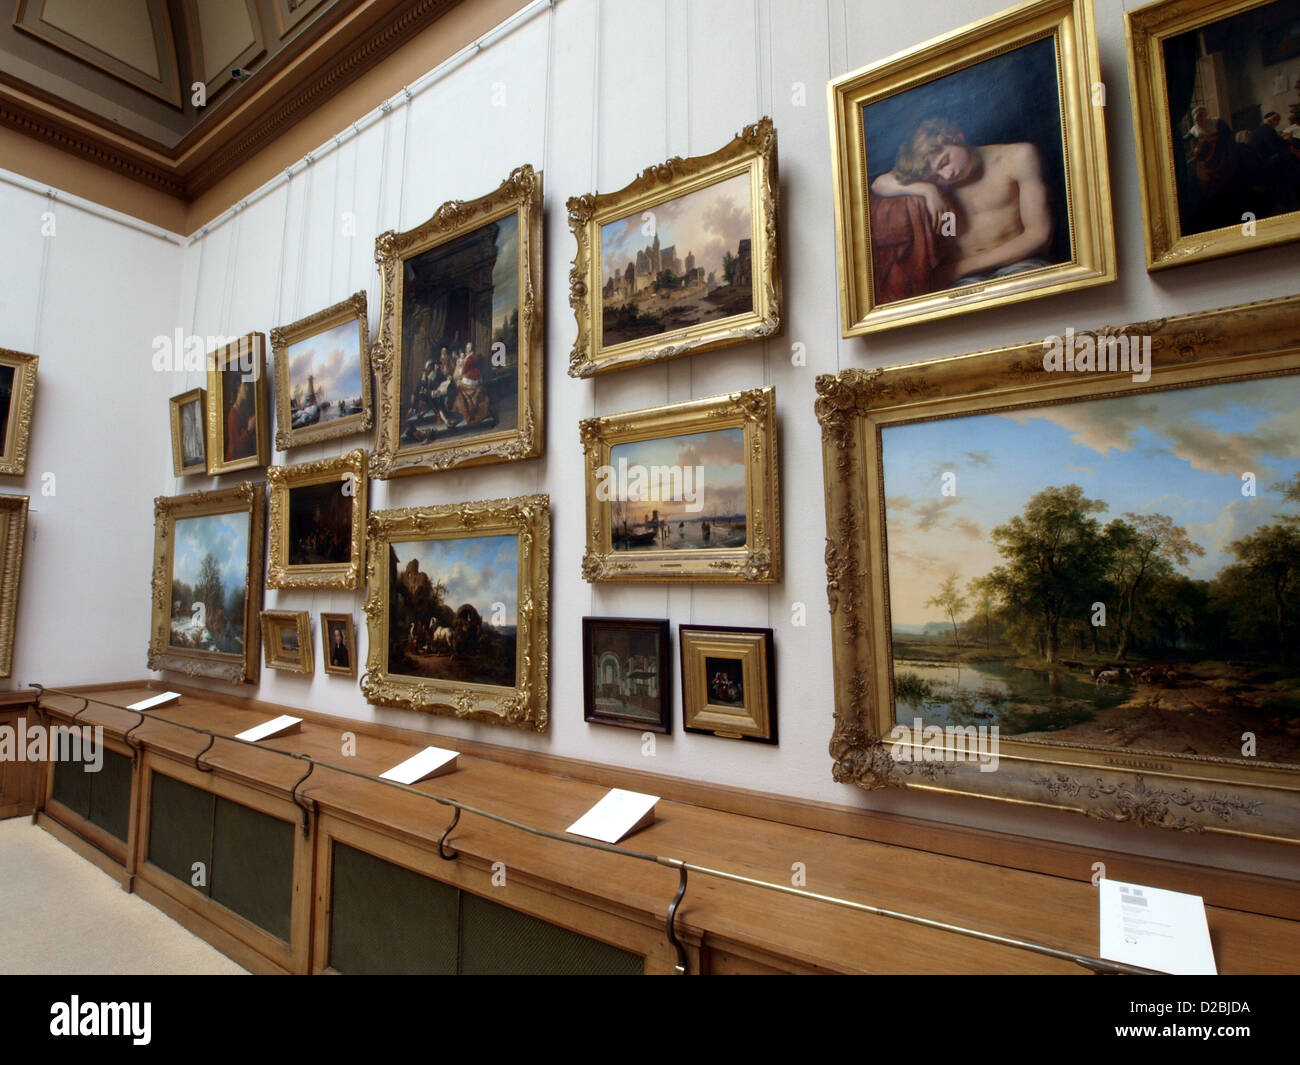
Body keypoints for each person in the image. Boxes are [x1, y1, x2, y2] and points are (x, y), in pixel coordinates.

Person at [870, 117, 1054, 289]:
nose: (946, 175)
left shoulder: (1017, 157)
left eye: (945, 162)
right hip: (964, 281)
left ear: (957, 137)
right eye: (936, 176)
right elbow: (879, 183)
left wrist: (959, 268)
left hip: (1019, 265)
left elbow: (1038, 235)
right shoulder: (938, 184)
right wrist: (928, 190)